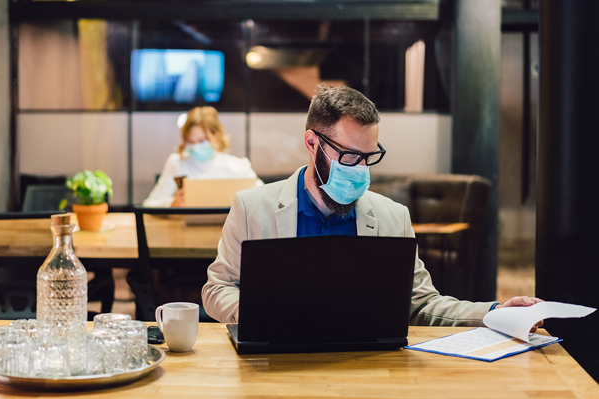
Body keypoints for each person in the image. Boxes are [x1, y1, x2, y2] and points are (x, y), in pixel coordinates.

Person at [202, 85, 543, 326]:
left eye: (369, 157)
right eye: (350, 156)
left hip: (370, 366)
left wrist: (498, 312)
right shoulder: (252, 207)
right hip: (274, 361)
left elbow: (422, 303)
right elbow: (217, 288)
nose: (361, 170)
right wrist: (265, 314)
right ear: (312, 142)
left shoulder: (392, 217)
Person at [142, 106, 260, 207]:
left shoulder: (238, 166)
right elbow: (150, 204)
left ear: (216, 137)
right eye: (191, 141)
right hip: (185, 232)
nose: (196, 147)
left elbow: (263, 198)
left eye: (202, 140)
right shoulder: (177, 163)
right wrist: (173, 204)